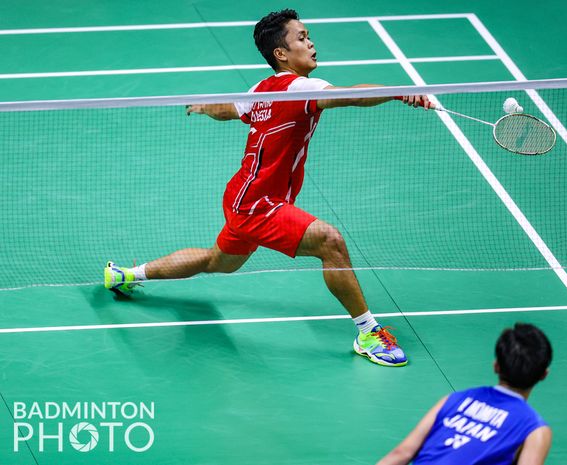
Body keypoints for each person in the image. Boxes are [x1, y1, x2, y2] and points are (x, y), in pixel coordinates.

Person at [103, 8, 431, 367]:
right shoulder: (301, 88)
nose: (311, 43)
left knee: (218, 261)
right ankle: (368, 332)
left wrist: (203, 107)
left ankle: (124, 275)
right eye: (302, 38)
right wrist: (402, 92)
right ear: (281, 53)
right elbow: (350, 95)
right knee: (330, 242)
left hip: (244, 198)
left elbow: (230, 109)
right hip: (259, 204)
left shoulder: (263, 88)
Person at [376, 323, 553, 464]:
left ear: (496, 366)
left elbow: (402, 453)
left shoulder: (455, 399)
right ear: (544, 375)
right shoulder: (535, 430)